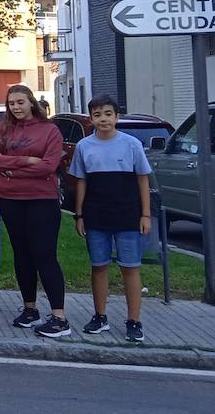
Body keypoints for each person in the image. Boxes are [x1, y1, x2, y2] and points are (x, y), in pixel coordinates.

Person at [0, 84, 70, 338]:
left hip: (41, 201)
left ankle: (59, 317)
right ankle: (29, 309)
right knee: (21, 255)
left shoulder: (49, 130)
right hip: (10, 200)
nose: (16, 107)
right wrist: (25, 161)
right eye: (12, 103)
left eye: (20, 102)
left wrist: (10, 169)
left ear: (31, 102)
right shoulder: (1, 129)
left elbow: (48, 166)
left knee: (44, 256)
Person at [71, 93, 151, 343]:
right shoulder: (84, 146)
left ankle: (134, 320)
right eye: (97, 115)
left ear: (117, 117)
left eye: (108, 114)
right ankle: (100, 316)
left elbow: (142, 179)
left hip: (128, 214)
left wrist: (145, 214)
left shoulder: (131, 144)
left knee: (130, 267)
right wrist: (80, 214)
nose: (103, 119)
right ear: (91, 119)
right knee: (99, 266)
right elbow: (81, 181)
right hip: (96, 214)